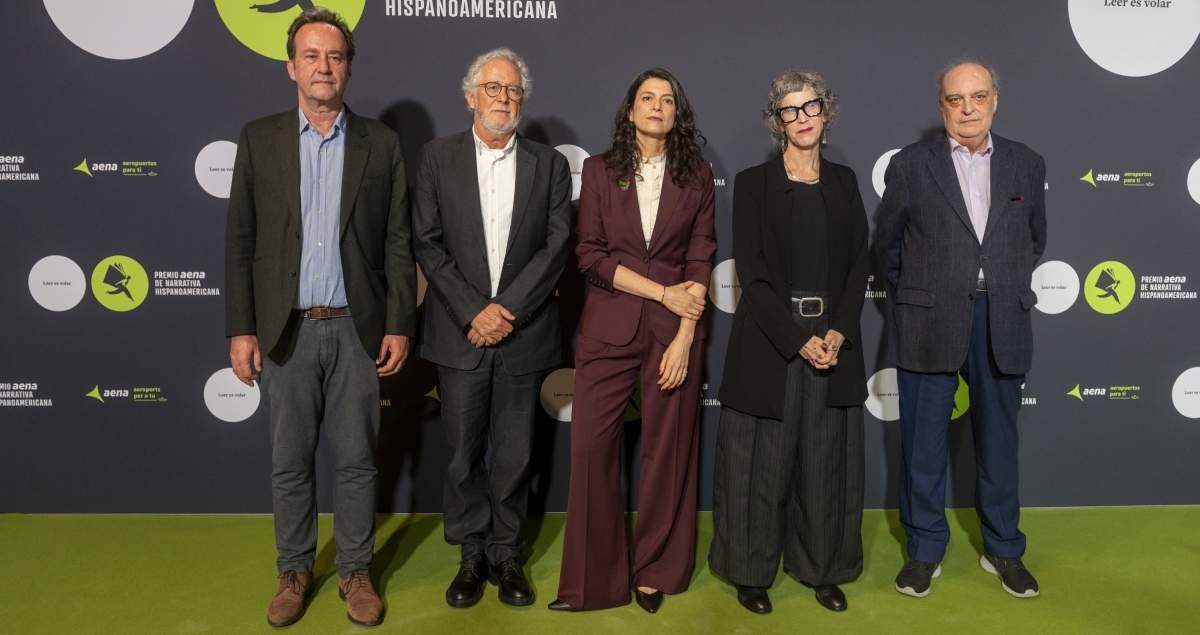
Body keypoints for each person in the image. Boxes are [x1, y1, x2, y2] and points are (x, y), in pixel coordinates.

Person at [224, 7, 416, 628]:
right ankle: (294, 570)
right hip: (286, 330)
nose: (323, 66)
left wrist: (398, 323)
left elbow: (396, 243)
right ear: (291, 67)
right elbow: (240, 240)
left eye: (334, 57)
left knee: (358, 459)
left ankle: (356, 572)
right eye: (311, 55)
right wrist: (241, 328)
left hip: (359, 330)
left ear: (349, 69)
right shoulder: (259, 139)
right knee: (289, 460)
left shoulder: (381, 144)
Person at [875, 60, 1047, 599]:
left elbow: (1035, 240)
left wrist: (995, 280)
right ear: (941, 105)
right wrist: (927, 291)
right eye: (955, 99)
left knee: (999, 445)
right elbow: (889, 248)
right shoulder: (908, 166)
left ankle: (1004, 550)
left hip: (1000, 317)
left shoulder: (1026, 163)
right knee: (922, 447)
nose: (967, 108)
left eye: (978, 96)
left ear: (995, 99)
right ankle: (924, 551)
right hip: (928, 317)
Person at [411, 47, 572, 609]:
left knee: (514, 454)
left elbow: (556, 247)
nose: (503, 98)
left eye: (512, 90)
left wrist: (505, 312)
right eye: (492, 88)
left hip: (523, 334)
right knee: (462, 455)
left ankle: (507, 555)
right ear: (470, 96)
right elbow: (427, 243)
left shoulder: (549, 164)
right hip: (460, 333)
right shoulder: (436, 158)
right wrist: (474, 310)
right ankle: (470, 554)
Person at [551, 68, 716, 613]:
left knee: (669, 452)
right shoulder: (599, 172)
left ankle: (657, 571)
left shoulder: (696, 174)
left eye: (668, 100)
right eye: (647, 97)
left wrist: (686, 335)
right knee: (592, 448)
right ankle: (594, 581)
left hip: (674, 333)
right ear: (630, 110)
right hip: (609, 325)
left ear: (677, 114)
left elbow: (700, 256)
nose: (657, 106)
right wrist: (663, 294)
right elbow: (591, 256)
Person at [708, 70, 869, 615]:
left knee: (827, 463)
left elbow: (857, 267)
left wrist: (836, 333)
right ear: (776, 122)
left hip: (835, 341)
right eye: (789, 111)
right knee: (758, 463)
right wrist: (801, 340)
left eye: (810, 107)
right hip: (770, 343)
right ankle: (750, 572)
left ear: (827, 112)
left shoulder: (845, 182)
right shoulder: (753, 184)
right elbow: (751, 276)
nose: (801, 119)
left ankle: (822, 568)